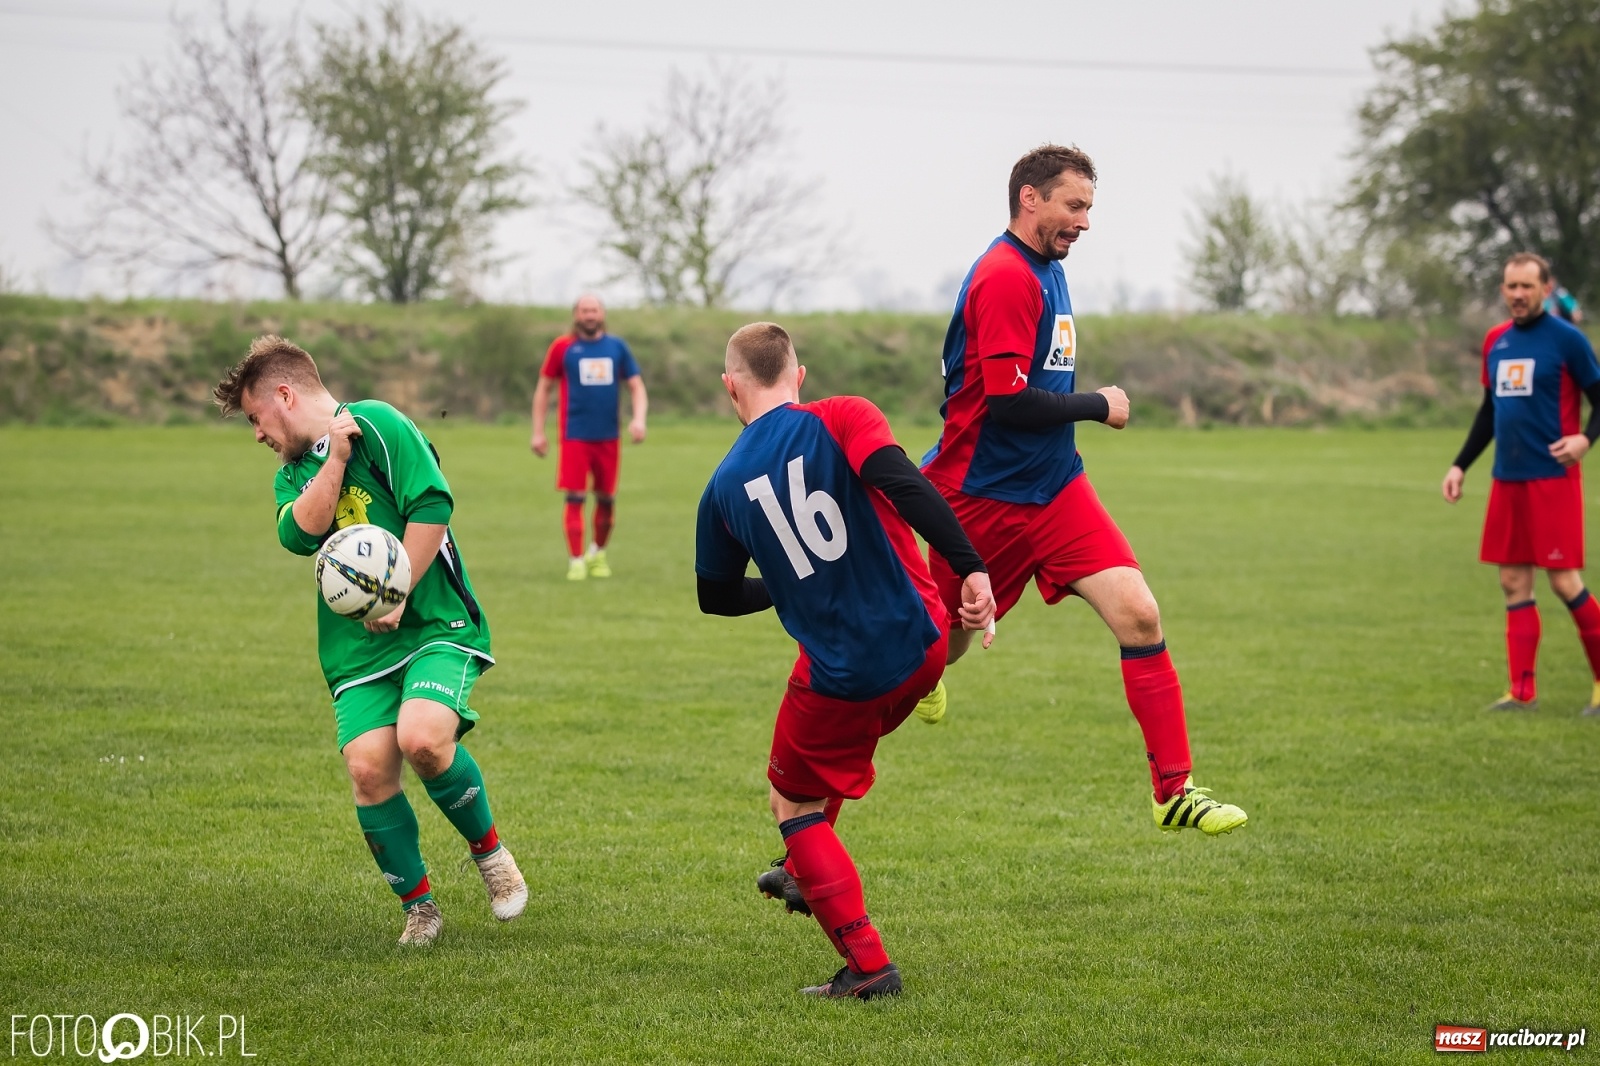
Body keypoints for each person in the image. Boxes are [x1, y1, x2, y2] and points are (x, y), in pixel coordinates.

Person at [920, 144, 1248, 834]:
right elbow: (1008, 401)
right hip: (982, 494)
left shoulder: (1048, 268)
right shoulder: (1006, 276)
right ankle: (810, 813)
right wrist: (1099, 405)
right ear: (1030, 199)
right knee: (933, 645)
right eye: (1075, 205)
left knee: (1139, 614)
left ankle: (1174, 791)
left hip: (1057, 487)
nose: (1086, 222)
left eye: (1090, 208)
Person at [696, 322, 996, 999]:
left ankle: (868, 968)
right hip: (922, 653)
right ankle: (803, 870)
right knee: (822, 771)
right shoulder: (844, 415)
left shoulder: (722, 487)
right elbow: (906, 485)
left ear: (730, 389)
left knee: (791, 800)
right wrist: (970, 567)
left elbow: (713, 597)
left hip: (843, 679)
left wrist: (780, 580)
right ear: (798, 376)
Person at [214, 336, 527, 946]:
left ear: (285, 395)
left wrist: (399, 590)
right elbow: (298, 537)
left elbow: (433, 505)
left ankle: (490, 856)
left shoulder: (380, 422)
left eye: (255, 417)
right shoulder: (293, 475)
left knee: (423, 740)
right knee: (367, 770)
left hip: (435, 624)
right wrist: (332, 462)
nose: (257, 434)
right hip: (356, 651)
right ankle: (420, 908)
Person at [1442, 252, 1600, 714]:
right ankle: (1521, 691)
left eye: (1527, 287)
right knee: (1513, 582)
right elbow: (1490, 412)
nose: (1517, 294)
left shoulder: (1568, 340)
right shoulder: (1497, 341)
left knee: (1565, 582)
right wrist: (1460, 465)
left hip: (1552, 478)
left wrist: (1585, 440)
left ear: (1545, 289)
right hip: (1506, 478)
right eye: (1510, 286)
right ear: (1502, 288)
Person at [531, 294, 648, 581]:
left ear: (602, 313)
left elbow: (636, 387)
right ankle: (576, 560)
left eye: (594, 310)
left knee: (607, 499)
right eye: (584, 310)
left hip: (609, 436)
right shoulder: (563, 348)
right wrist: (538, 431)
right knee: (575, 497)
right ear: (576, 315)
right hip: (575, 436)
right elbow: (544, 388)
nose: (590, 315)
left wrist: (639, 419)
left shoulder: (616, 347)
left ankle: (598, 553)